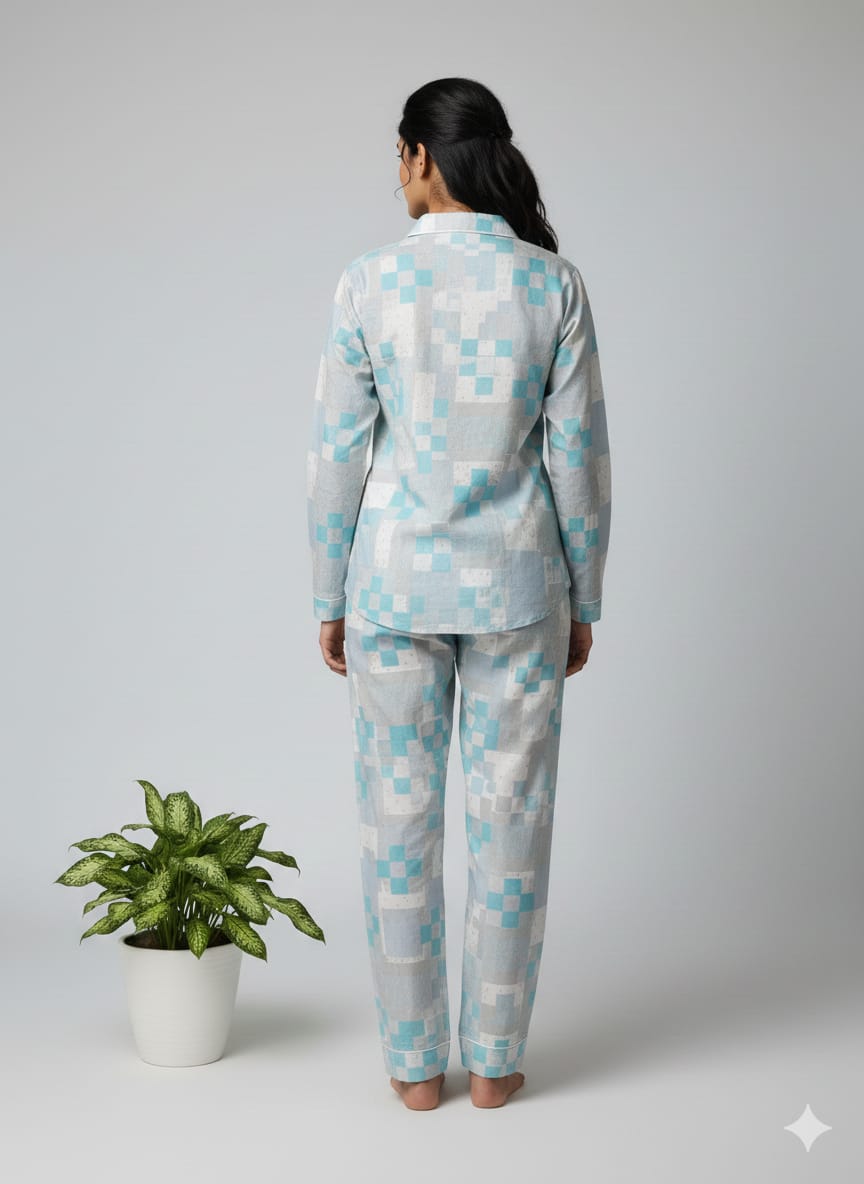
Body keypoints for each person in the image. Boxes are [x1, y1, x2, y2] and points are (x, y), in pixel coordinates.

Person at [306, 77, 612, 1110]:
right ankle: (494, 1063)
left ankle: (413, 1070)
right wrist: (585, 598)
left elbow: (336, 457)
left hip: (391, 584)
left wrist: (327, 590)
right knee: (512, 824)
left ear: (422, 157)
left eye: (397, 156)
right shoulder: (554, 284)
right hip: (522, 586)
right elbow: (580, 460)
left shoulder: (369, 283)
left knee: (395, 829)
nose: (395, 174)